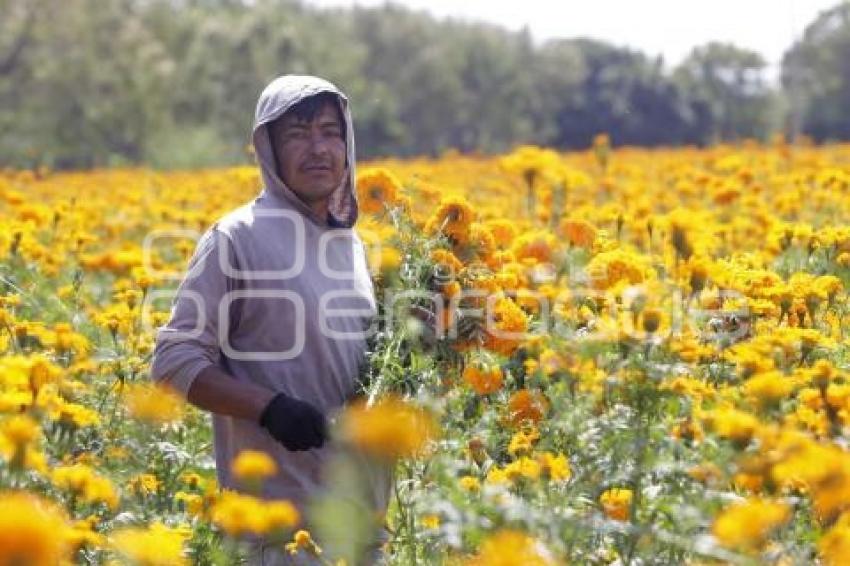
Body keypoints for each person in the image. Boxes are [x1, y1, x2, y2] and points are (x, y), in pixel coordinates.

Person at [149, 74, 391, 565]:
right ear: (268, 150)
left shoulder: (353, 244)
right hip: (280, 539)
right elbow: (173, 361)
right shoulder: (237, 237)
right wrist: (270, 408)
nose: (318, 148)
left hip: (361, 536)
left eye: (329, 131)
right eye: (297, 134)